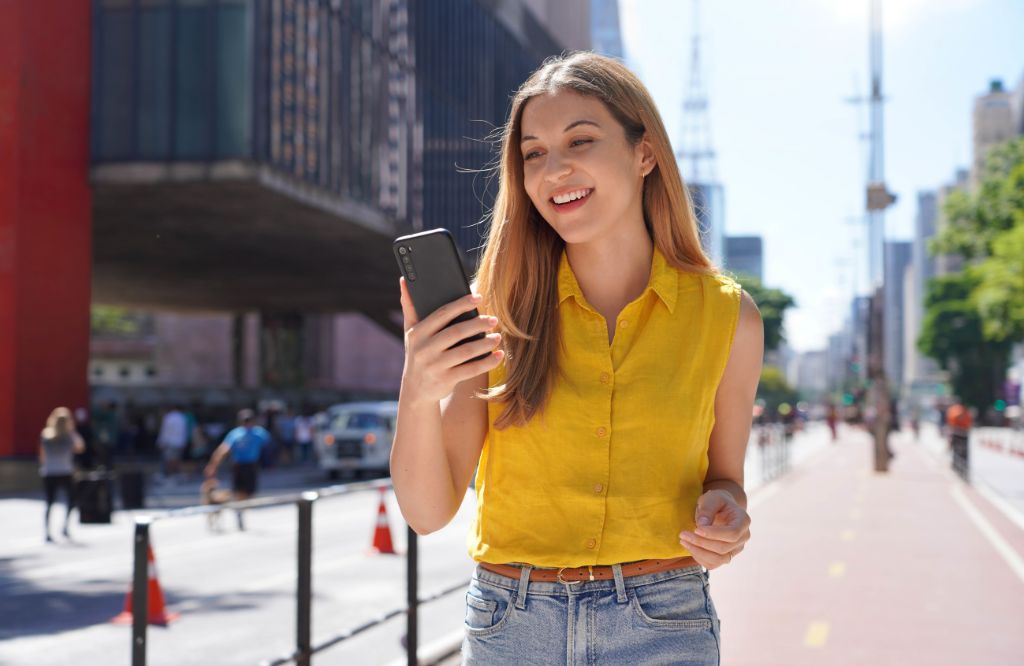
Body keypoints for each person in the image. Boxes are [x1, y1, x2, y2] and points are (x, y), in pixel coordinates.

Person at [391, 52, 763, 665]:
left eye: (580, 140)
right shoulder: (492, 314)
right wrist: (417, 386)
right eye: (534, 153)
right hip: (512, 624)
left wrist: (728, 516)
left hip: (664, 621)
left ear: (644, 154)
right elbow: (428, 513)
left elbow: (726, 480)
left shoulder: (729, 317)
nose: (554, 169)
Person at [204, 409, 271, 530]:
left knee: (250, 491)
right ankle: (240, 510)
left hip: (251, 464)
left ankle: (241, 507)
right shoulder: (236, 434)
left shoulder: (259, 433)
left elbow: (269, 445)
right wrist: (213, 465)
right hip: (239, 465)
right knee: (239, 491)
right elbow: (223, 450)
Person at [39, 407, 86, 542]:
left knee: (49, 503)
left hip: (49, 471)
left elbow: (41, 456)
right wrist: (73, 431)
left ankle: (47, 531)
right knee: (71, 500)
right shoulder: (69, 436)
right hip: (65, 471)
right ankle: (64, 526)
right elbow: (81, 447)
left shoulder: (46, 435)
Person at [156, 405, 188, 481]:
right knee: (176, 459)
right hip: (179, 442)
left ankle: (170, 475)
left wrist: (161, 441)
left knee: (169, 459)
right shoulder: (182, 417)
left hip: (170, 442)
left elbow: (165, 431)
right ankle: (175, 474)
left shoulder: (168, 417)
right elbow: (184, 431)